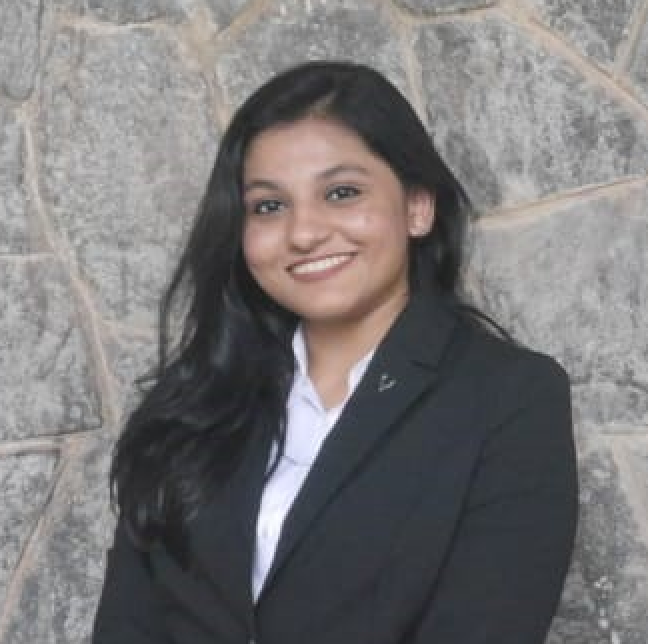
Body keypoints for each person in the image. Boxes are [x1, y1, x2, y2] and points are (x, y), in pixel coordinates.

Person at [92, 61, 578, 644]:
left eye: (341, 193)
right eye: (269, 206)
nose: (303, 232)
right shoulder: (197, 399)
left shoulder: (508, 397)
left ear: (417, 207)